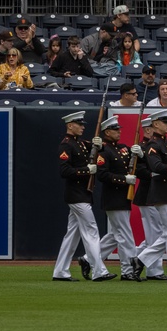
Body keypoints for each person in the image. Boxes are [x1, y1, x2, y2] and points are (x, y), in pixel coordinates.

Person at [52, 112, 116, 282]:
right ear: (70, 125)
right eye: (79, 124)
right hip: (76, 195)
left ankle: (60, 271)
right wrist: (87, 171)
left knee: (72, 235)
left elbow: (96, 147)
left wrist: (99, 145)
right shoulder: (66, 145)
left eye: (82, 124)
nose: (82, 127)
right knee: (91, 232)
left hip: (82, 194)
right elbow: (64, 171)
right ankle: (99, 271)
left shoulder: (79, 143)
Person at [131, 110, 167, 283]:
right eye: (164, 122)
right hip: (162, 191)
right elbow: (156, 166)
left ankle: (141, 259)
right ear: (155, 124)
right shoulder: (153, 145)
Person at [94, 115, 140, 282]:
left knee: (116, 234)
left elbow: (133, 162)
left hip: (124, 197)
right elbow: (102, 175)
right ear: (107, 132)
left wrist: (138, 154)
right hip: (113, 197)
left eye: (119, 129)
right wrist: (124, 179)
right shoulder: (104, 151)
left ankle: (89, 258)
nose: (119, 132)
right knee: (125, 235)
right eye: (115, 130)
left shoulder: (122, 148)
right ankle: (128, 269)